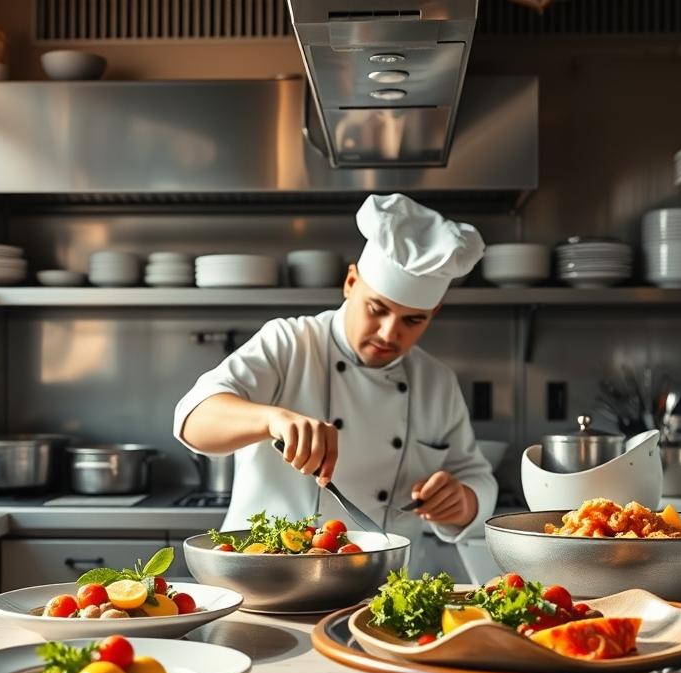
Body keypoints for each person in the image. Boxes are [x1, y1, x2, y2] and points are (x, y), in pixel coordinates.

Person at [173, 193, 495, 575]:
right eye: (377, 309)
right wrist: (272, 419)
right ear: (351, 281)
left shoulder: (436, 381)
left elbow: (475, 474)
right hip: (265, 578)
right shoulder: (290, 342)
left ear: (434, 313)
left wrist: (463, 501)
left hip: (378, 587)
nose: (389, 333)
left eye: (413, 320)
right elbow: (193, 418)